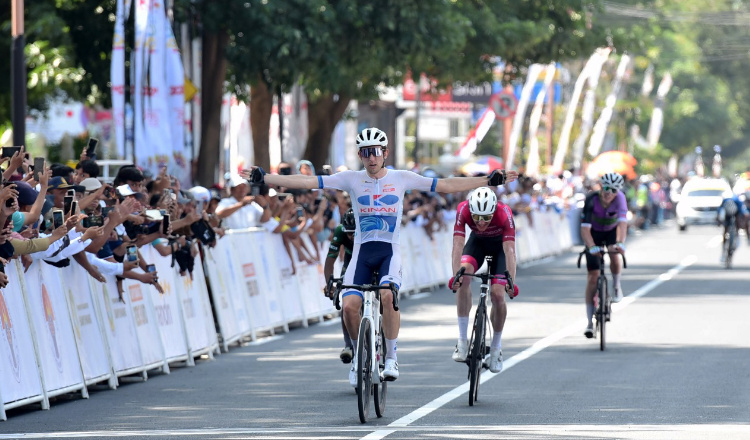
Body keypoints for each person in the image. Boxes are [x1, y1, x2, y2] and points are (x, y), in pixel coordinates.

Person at [244, 126, 518, 387]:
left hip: (390, 252)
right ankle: (357, 360)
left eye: (376, 151)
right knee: (349, 306)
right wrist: (265, 178)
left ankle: (391, 358)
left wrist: (487, 180)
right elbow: (307, 181)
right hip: (363, 253)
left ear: (385, 152)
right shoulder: (351, 179)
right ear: (360, 155)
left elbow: (445, 185)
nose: (371, 157)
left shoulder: (401, 178)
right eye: (365, 152)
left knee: (388, 295)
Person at [448, 187, 519, 373]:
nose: (480, 223)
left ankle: (496, 349)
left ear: (493, 211)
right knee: (463, 278)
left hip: (499, 249)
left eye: (486, 218)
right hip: (476, 244)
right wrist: (456, 274)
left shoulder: (504, 213)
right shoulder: (463, 209)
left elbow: (510, 251)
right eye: (476, 217)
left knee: (497, 295)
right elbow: (457, 245)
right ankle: (462, 341)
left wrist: (511, 281)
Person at [580, 172, 628, 338]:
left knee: (614, 254)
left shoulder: (620, 199)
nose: (609, 193)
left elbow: (622, 224)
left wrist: (621, 242)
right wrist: (592, 246)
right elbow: (585, 228)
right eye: (606, 188)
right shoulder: (591, 199)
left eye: (614, 190)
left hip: (611, 232)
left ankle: (616, 286)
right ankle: (589, 323)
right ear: (601, 186)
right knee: (593, 277)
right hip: (593, 234)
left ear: (618, 191)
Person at [323, 209, 356, 363]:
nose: (352, 237)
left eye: (355, 233)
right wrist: (329, 283)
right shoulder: (340, 231)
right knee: (346, 305)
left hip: (371, 264)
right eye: (349, 233)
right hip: (350, 265)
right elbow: (330, 259)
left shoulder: (369, 230)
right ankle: (348, 344)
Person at [717, 193, 749, 262]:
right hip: (730, 215)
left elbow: (719, 211)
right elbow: (743, 212)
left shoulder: (731, 200)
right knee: (727, 229)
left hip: (732, 215)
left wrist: (719, 221)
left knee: (726, 230)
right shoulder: (736, 200)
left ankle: (731, 241)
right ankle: (729, 245)